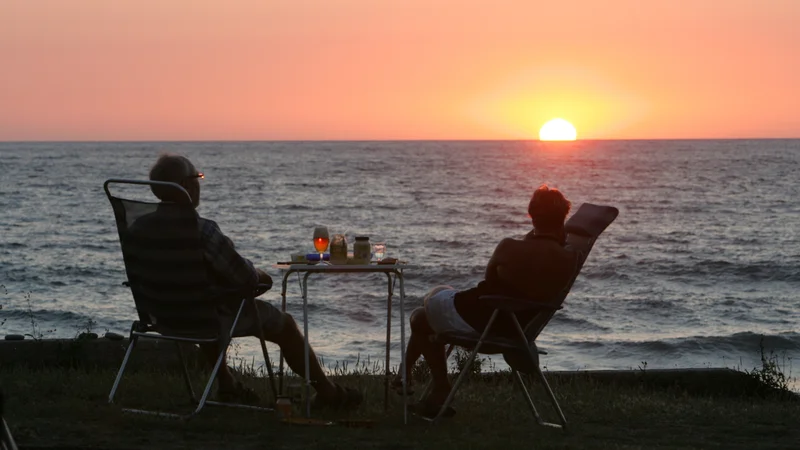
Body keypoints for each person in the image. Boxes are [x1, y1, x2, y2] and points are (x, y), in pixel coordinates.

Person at [141, 153, 361, 408]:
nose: (199, 184)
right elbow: (244, 278)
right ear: (187, 185)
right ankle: (328, 392)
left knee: (206, 310)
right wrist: (261, 276)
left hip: (162, 316)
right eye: (198, 178)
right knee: (285, 325)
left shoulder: (138, 228)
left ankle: (227, 386)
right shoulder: (202, 230)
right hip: (206, 316)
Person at [396, 185, 578, 417]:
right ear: (563, 218)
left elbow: (489, 281)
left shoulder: (509, 247)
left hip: (482, 323)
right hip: (517, 331)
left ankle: (425, 382)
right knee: (426, 316)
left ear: (532, 216)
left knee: (425, 308)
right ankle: (414, 379)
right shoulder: (570, 257)